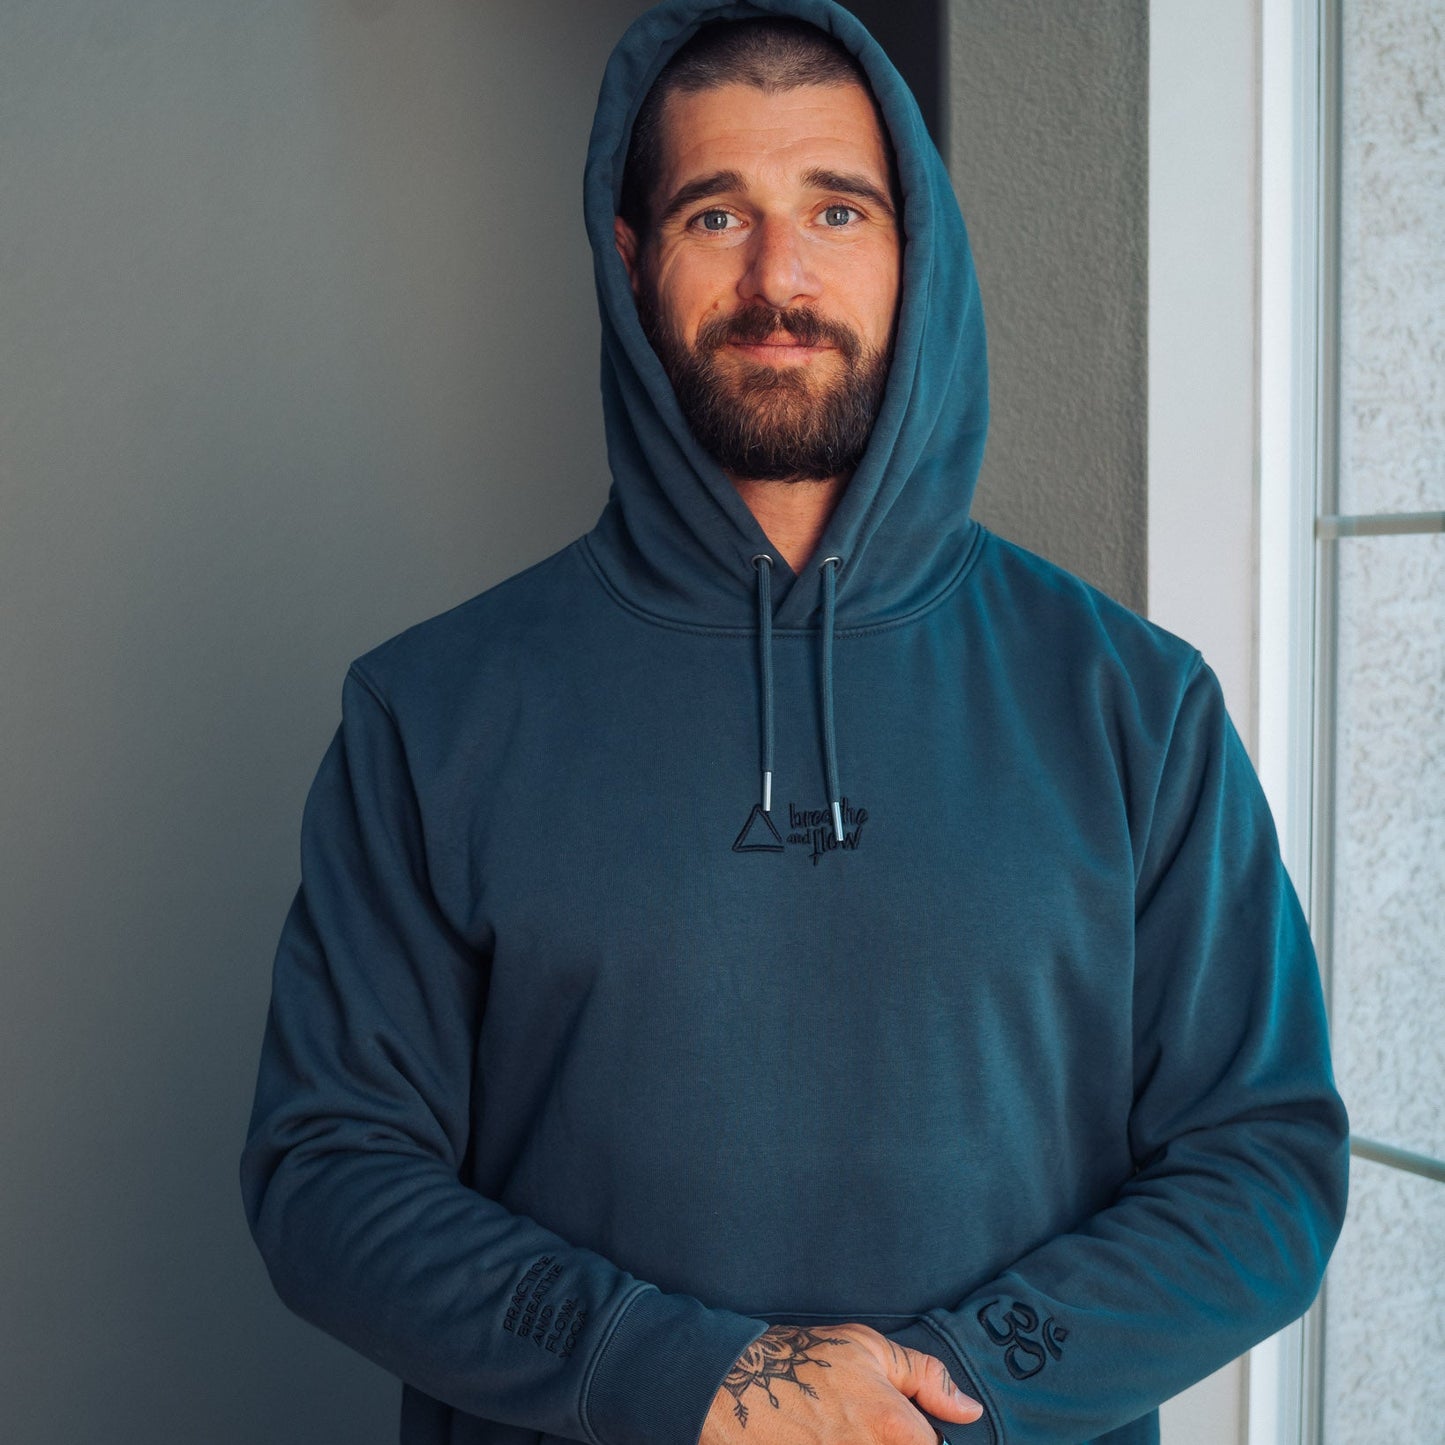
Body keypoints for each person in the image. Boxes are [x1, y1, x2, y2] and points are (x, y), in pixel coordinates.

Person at [240, 2, 1350, 1443]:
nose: (780, 275)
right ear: (630, 260)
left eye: (837, 210)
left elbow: (1262, 1164)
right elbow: (328, 1175)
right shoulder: (431, 712)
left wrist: (942, 1389)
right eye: (716, 215)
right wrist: (689, 1375)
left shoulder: (1134, 703)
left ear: (914, 253)